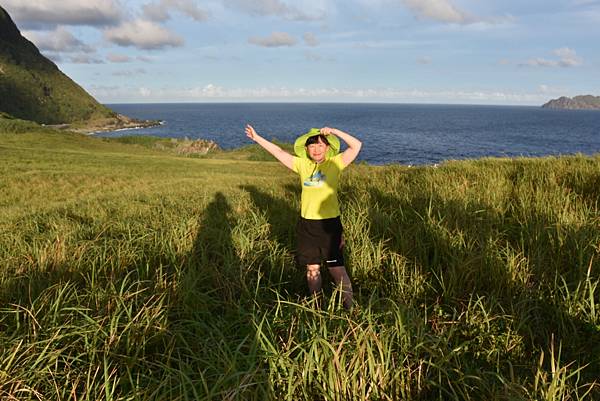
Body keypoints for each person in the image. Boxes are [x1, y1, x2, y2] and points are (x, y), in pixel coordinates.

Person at [244, 124, 362, 309]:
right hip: (307, 225)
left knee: (337, 269)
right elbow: (278, 151)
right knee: (312, 269)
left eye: (321, 145)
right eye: (312, 146)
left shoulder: (335, 163)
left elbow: (356, 146)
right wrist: (257, 138)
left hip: (330, 226)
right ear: (306, 149)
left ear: (328, 148)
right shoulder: (302, 164)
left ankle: (351, 309)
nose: (316, 149)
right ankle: (316, 307)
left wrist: (335, 132)